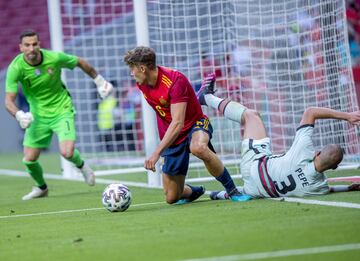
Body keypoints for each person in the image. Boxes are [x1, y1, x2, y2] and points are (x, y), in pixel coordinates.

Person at [197, 73, 360, 200]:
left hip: (254, 166)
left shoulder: (303, 152)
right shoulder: (318, 187)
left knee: (251, 116)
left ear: (317, 153)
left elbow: (310, 112)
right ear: (333, 168)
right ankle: (220, 194)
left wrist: (347, 116)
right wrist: (347, 187)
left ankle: (206, 97)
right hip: (257, 190)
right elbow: (328, 189)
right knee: (260, 187)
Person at [123, 46, 251, 204]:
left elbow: (178, 122)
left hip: (193, 123)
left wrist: (156, 153)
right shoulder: (141, 83)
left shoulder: (175, 81)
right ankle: (194, 191)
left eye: (132, 69)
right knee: (171, 197)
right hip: (172, 135)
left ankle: (232, 190)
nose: (131, 73)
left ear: (142, 68)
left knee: (198, 147)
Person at [5, 30, 113, 200]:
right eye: (27, 45)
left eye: (34, 44)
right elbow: (8, 100)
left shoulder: (54, 58)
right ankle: (42, 188)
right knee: (29, 160)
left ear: (39, 44)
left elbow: (79, 62)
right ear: (21, 47)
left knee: (67, 152)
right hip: (38, 116)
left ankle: (83, 167)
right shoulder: (16, 68)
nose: (31, 48)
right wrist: (19, 115)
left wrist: (100, 81)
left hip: (62, 109)